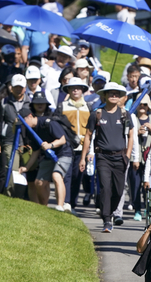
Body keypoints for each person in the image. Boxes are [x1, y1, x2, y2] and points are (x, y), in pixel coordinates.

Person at [80, 82, 133, 233]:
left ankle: (109, 212)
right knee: (105, 187)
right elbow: (88, 136)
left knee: (118, 190)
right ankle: (107, 219)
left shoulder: (125, 114)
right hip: (103, 157)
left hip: (120, 157)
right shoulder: (97, 114)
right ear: (104, 95)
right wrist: (83, 158)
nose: (114, 96)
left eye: (117, 94)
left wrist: (128, 155)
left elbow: (130, 135)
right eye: (111, 93)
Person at [18, 94, 71, 210]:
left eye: (24, 121)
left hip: (63, 153)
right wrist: (26, 167)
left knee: (56, 176)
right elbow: (36, 151)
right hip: (49, 156)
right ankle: (44, 208)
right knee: (39, 182)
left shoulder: (48, 122)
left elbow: (63, 139)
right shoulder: (33, 130)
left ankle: (60, 206)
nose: (24, 125)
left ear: (30, 116)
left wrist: (50, 145)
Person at [0, 74, 31, 195]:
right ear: (11, 88)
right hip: (9, 141)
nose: (18, 89)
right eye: (16, 87)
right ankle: (9, 193)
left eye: (21, 87)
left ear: (25, 88)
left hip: (26, 142)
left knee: (25, 170)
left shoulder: (30, 103)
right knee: (11, 169)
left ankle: (22, 196)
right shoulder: (4, 102)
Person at [58, 77, 90, 211]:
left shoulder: (88, 107)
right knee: (67, 174)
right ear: (69, 90)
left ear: (82, 90)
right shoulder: (63, 106)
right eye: (72, 88)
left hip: (82, 147)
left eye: (78, 87)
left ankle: (73, 202)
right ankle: (66, 202)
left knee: (78, 176)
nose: (75, 90)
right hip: (66, 145)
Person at [130, 94, 151, 220]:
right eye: (140, 104)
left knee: (148, 186)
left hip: (150, 158)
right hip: (135, 158)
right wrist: (137, 133)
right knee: (135, 185)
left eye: (145, 104)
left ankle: (148, 209)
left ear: (148, 107)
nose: (142, 106)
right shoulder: (132, 119)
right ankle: (137, 209)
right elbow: (127, 136)